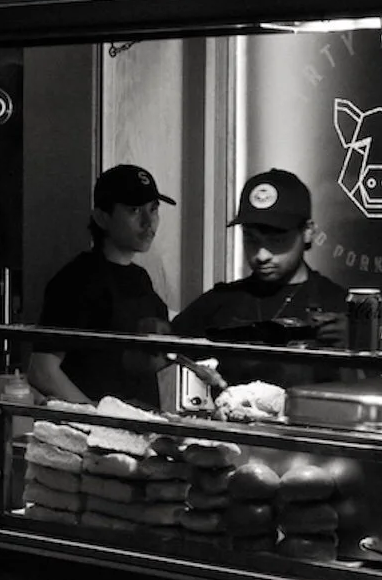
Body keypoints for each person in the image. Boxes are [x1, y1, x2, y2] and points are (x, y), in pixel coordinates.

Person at [172, 168, 349, 385]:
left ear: (308, 231)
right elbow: (161, 350)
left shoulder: (336, 304)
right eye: (251, 239)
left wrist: (354, 349)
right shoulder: (224, 299)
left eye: (276, 239)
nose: (261, 255)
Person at [26, 163, 175, 408]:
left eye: (153, 209)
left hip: (143, 428)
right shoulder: (77, 279)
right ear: (102, 217)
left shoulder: (141, 278)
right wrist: (98, 419)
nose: (149, 222)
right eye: (135, 210)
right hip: (92, 439)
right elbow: (42, 370)